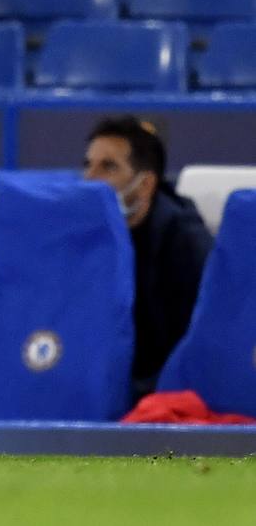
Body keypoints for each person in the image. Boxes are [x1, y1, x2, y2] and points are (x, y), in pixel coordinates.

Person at [82, 116, 212, 401]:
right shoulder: (81, 232)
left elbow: (197, 344)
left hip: (161, 395)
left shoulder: (186, 243)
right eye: (87, 165)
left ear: (145, 184)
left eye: (108, 167)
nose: (90, 179)